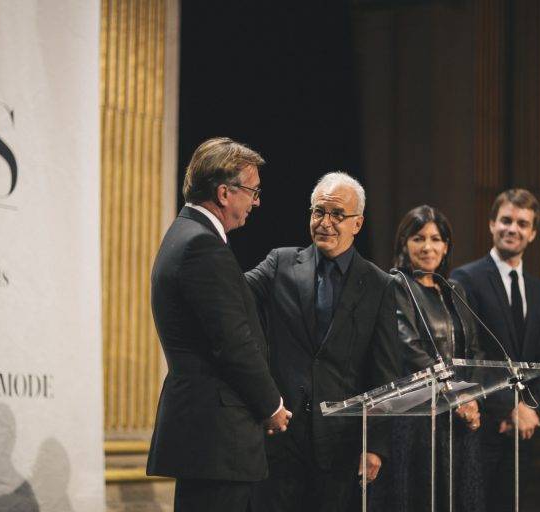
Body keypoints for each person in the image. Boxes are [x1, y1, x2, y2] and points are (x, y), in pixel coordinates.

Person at [146, 137, 291, 512]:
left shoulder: (185, 234)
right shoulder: (202, 246)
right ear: (225, 192)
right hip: (217, 438)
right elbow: (233, 342)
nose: (256, 203)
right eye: (253, 192)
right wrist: (271, 405)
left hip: (207, 437)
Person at [245, 172, 401, 512]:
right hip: (279, 438)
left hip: (340, 446)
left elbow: (385, 372)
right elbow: (233, 294)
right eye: (318, 212)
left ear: (357, 224)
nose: (325, 222)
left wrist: (374, 444)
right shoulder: (279, 264)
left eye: (337, 215)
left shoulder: (380, 285)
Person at [372, 205, 485, 512]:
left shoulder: (454, 289)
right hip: (418, 419)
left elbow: (473, 351)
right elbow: (410, 347)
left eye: (436, 239)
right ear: (404, 244)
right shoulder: (397, 284)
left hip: (458, 422)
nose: (428, 247)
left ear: (446, 246)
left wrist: (471, 397)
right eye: (418, 238)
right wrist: (456, 396)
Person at [450, 189, 540, 512]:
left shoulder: (538, 290)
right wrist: (509, 407)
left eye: (522, 223)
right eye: (506, 220)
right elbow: (468, 354)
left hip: (521, 430)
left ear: (533, 233)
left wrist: (528, 408)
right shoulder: (465, 278)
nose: (513, 228)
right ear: (491, 224)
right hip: (481, 425)